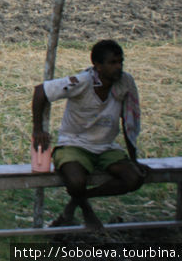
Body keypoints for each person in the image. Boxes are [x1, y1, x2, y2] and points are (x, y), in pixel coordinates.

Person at [32, 39, 147, 230]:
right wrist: (38, 130)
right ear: (98, 66)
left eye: (121, 62)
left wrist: (134, 159)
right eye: (113, 63)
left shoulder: (125, 82)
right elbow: (40, 91)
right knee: (76, 181)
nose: (118, 67)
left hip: (106, 147)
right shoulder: (82, 82)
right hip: (74, 144)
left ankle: (78, 202)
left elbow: (129, 122)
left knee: (134, 178)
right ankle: (87, 211)